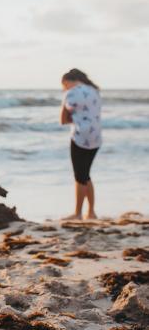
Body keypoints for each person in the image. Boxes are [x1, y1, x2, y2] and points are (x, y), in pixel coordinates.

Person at [59, 68, 102, 220]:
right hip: (96, 137)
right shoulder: (94, 91)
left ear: (68, 81)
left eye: (63, 85)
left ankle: (77, 213)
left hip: (80, 137)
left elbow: (63, 120)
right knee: (86, 175)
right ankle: (91, 212)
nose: (63, 88)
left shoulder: (70, 93)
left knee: (79, 176)